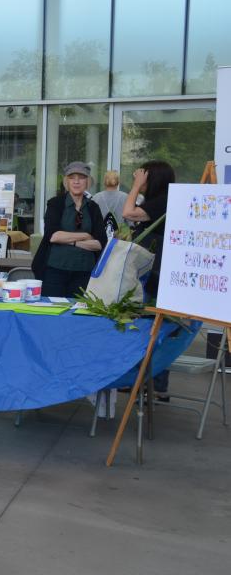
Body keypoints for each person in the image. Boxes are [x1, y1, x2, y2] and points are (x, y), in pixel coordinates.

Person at [122, 159, 176, 397]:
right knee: (150, 326)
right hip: (154, 272)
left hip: (156, 274)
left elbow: (127, 212)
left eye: (143, 175)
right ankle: (147, 382)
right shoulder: (160, 200)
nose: (139, 178)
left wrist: (135, 185)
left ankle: (153, 384)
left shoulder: (164, 200)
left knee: (152, 327)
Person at [32, 161, 107, 298]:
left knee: (78, 312)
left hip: (84, 272)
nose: (76, 182)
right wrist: (85, 235)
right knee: (52, 311)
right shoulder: (56, 203)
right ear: (66, 181)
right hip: (55, 271)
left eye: (81, 177)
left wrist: (67, 239)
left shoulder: (93, 207)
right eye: (72, 177)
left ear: (88, 182)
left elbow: (100, 243)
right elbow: (53, 236)